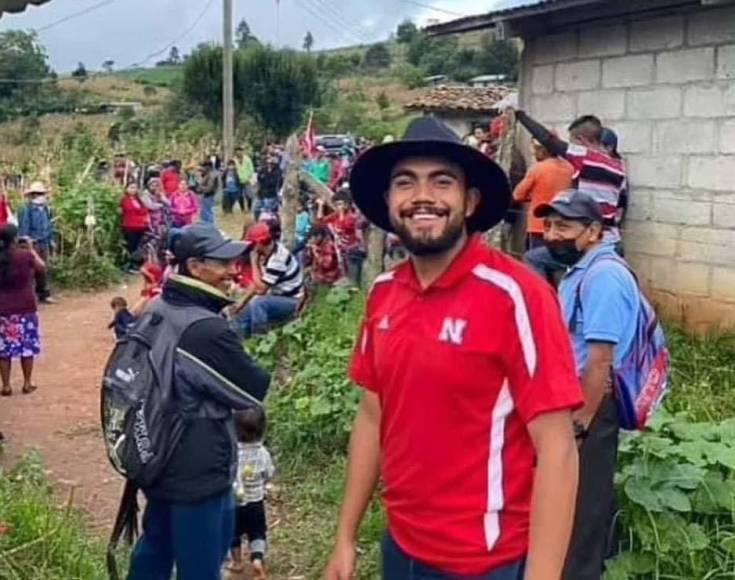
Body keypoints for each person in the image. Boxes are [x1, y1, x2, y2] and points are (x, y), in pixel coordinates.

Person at [324, 117, 583, 580]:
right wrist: (345, 536)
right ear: (388, 202)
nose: (423, 196)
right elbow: (372, 413)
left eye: (442, 181)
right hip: (401, 546)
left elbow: (558, 449)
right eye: (406, 182)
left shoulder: (515, 295)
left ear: (470, 200)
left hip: (486, 561)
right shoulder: (383, 293)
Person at [126, 224, 270, 580]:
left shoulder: (158, 306)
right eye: (222, 262)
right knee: (202, 565)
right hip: (198, 464)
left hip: (156, 451)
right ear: (195, 266)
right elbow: (253, 390)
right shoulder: (205, 329)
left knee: (155, 548)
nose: (232, 270)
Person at [532, 189, 640, 580]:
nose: (552, 235)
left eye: (564, 226)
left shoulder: (604, 277)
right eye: (548, 225)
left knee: (580, 501)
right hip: (576, 397)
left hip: (592, 402)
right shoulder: (582, 270)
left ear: (593, 230)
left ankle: (579, 571)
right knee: (578, 494)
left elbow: (600, 363)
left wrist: (579, 425)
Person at [514, 112, 627, 279]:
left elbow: (548, 140)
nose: (570, 146)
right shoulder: (619, 167)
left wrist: (521, 116)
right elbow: (620, 207)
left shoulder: (584, 157)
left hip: (589, 242)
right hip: (612, 241)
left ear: (581, 140)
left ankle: (543, 301)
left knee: (533, 258)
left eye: (572, 141)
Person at [232, 223, 304, 339]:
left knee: (258, 302)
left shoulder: (277, 260)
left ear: (259, 243)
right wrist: (241, 303)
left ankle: (259, 337)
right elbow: (258, 284)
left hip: (293, 301)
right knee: (242, 313)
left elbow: (260, 289)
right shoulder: (268, 253)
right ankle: (236, 339)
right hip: (278, 296)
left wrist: (253, 262)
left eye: (252, 244)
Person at [228, 407, 275, 579]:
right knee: (258, 532)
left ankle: (237, 562)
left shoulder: (232, 453)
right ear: (263, 429)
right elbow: (269, 473)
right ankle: (256, 559)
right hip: (256, 503)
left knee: (233, 534)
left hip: (234, 503)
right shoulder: (263, 454)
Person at [0, 224, 45, 397]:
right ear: (15, 238)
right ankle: (27, 383)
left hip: (3, 309)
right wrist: (31, 249)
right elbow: (42, 268)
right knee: (27, 347)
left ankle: (6, 385)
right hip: (25, 307)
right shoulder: (25, 255)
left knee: (4, 349)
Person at [512, 139, 573, 251]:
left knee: (535, 261)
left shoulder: (537, 168)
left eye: (536, 149)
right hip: (563, 224)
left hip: (538, 225)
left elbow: (517, 195)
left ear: (543, 150)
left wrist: (531, 195)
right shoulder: (569, 168)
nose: (534, 153)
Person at [316, 191, 365, 286]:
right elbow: (320, 222)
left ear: (347, 204)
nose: (338, 207)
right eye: (336, 205)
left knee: (352, 279)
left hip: (352, 250)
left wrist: (341, 213)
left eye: (340, 204)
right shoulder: (336, 215)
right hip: (340, 250)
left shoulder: (352, 216)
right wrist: (320, 206)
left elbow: (344, 226)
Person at [17, 181, 54, 304]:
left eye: (42, 194)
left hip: (43, 242)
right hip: (32, 243)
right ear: (33, 195)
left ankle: (43, 294)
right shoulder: (26, 209)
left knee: (42, 268)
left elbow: (49, 225)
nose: (41, 196)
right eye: (38, 194)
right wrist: (26, 243)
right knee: (29, 270)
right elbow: (23, 227)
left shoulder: (46, 209)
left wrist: (51, 240)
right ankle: (27, 295)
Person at [119, 182, 150, 273]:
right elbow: (123, 211)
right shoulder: (124, 200)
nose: (133, 190)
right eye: (131, 187)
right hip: (129, 226)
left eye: (135, 188)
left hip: (140, 226)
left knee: (137, 246)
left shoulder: (139, 200)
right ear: (126, 189)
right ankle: (128, 265)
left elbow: (144, 211)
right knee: (130, 246)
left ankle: (135, 265)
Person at [140, 178, 172, 263]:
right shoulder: (145, 194)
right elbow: (149, 206)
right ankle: (146, 258)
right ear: (148, 186)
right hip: (150, 220)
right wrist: (160, 205)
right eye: (152, 185)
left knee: (161, 238)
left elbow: (169, 204)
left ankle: (158, 256)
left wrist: (161, 197)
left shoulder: (159, 194)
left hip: (161, 221)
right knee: (150, 239)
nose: (154, 187)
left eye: (156, 185)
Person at [254, 157, 281, 221]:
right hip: (261, 193)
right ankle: (257, 221)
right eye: (268, 163)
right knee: (257, 208)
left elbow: (273, 182)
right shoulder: (263, 169)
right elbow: (259, 178)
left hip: (271, 194)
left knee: (268, 210)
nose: (269, 165)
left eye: (272, 164)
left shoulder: (277, 172)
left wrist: (265, 179)